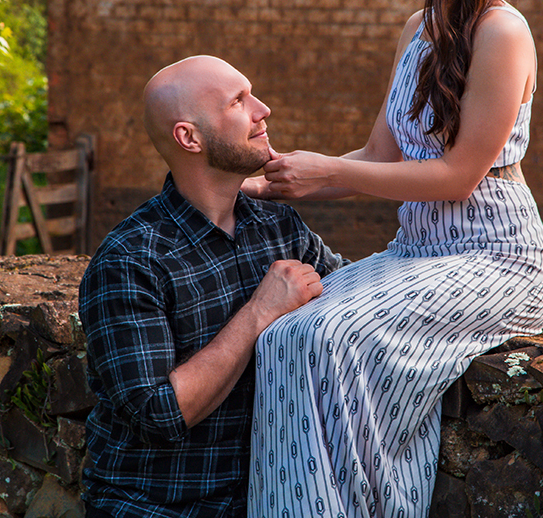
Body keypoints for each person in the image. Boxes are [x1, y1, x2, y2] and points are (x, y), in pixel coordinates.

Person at [244, 0, 543, 518]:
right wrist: (268, 184)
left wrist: (328, 170)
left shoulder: (503, 32)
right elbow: (377, 156)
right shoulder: (416, 31)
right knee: (283, 333)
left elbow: (458, 175)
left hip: (498, 257)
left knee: (327, 339)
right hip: (416, 251)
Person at [77, 55, 343, 518]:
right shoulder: (130, 259)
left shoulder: (279, 226)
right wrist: (259, 312)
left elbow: (349, 293)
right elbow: (158, 414)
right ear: (189, 137)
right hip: (155, 508)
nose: (263, 110)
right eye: (238, 101)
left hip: (265, 501)